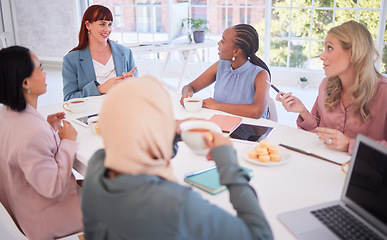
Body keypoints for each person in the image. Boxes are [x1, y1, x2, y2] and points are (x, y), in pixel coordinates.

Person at [82, 77, 273, 240]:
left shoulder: (97, 167)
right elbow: (260, 235)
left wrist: (172, 130)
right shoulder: (174, 204)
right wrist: (228, 163)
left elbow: (141, 146)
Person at [0, 46, 82, 239]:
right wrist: (67, 142)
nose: (45, 74)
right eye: (41, 68)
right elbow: (52, 187)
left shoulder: (6, 115)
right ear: (25, 82)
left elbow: (26, 153)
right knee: (120, 196)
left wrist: (49, 129)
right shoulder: (32, 131)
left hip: (26, 205)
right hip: (49, 215)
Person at [276, 20, 387, 154]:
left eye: (329, 48)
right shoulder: (325, 86)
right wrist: (303, 111)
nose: (322, 56)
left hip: (364, 173)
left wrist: (350, 144)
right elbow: (319, 133)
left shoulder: (383, 93)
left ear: (353, 53)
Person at [180, 24, 271, 119]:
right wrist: (187, 96)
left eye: (223, 41)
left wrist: (217, 105)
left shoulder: (261, 75)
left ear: (236, 51)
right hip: (221, 125)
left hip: (248, 130)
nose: (218, 43)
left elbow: (257, 111)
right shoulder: (221, 65)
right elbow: (190, 87)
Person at [62, 4, 138, 101]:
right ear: (88, 25)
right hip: (91, 115)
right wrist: (100, 89)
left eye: (109, 24)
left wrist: (132, 83)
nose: (107, 30)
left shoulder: (125, 52)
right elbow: (69, 98)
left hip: (123, 110)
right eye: (102, 24)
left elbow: (137, 90)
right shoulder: (71, 60)